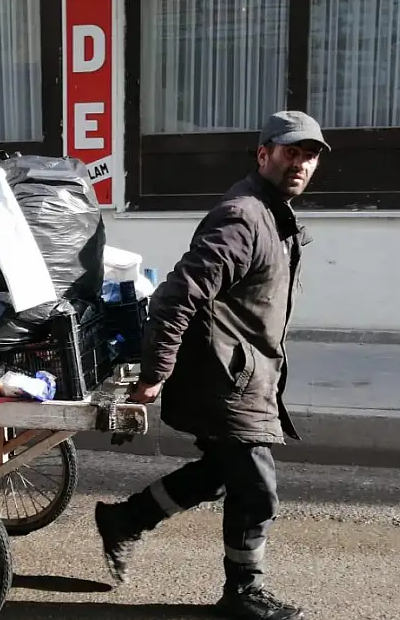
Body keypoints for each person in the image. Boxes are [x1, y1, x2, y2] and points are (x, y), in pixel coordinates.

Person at [94, 111, 329, 620]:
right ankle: (243, 591)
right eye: (291, 151)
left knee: (222, 475)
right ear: (264, 153)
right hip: (224, 378)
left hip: (242, 372)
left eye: (309, 155)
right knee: (257, 488)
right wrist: (155, 375)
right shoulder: (245, 216)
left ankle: (125, 520)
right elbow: (176, 297)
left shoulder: (275, 216)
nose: (301, 163)